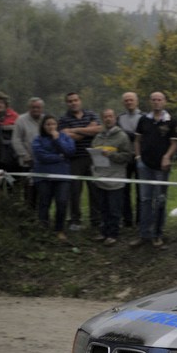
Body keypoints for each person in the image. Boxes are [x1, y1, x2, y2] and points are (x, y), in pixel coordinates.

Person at [132, 91, 177, 248]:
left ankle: (158, 234)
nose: (157, 102)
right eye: (154, 100)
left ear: (164, 101)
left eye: (159, 99)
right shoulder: (143, 120)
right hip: (145, 165)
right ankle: (144, 234)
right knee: (145, 200)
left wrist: (167, 156)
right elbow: (137, 140)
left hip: (161, 167)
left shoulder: (171, 121)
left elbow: (174, 143)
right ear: (150, 102)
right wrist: (138, 158)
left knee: (159, 200)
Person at [90, 108, 133, 246]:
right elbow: (93, 149)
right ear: (103, 119)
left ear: (115, 118)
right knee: (103, 207)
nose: (108, 119)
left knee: (114, 208)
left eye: (110, 116)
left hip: (116, 177)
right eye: (105, 117)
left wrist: (111, 155)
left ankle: (113, 234)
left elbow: (127, 156)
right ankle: (104, 231)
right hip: (101, 176)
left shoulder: (122, 136)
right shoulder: (99, 136)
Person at [59, 91, 101, 231]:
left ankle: (96, 220)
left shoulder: (91, 114)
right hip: (74, 159)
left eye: (75, 100)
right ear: (67, 103)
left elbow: (98, 129)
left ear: (80, 101)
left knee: (95, 189)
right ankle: (75, 220)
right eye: (70, 101)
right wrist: (88, 129)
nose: (73, 103)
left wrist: (75, 129)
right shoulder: (64, 119)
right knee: (75, 191)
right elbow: (67, 137)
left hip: (93, 157)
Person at [31, 115, 75, 240]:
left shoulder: (64, 137)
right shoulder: (38, 139)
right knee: (44, 202)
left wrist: (57, 140)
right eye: (48, 124)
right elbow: (41, 156)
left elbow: (70, 152)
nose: (51, 127)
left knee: (62, 201)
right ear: (43, 126)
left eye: (53, 124)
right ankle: (43, 227)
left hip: (62, 176)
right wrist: (59, 157)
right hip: (43, 176)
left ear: (57, 125)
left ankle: (59, 229)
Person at [11, 97, 45, 207]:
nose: (35, 109)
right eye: (33, 107)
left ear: (42, 108)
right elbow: (16, 140)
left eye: (38, 107)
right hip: (27, 162)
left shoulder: (45, 120)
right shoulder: (21, 120)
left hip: (43, 162)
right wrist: (25, 156)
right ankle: (29, 216)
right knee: (29, 191)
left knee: (43, 191)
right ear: (29, 108)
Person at [116, 91, 143, 228]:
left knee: (141, 191)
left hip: (139, 157)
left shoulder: (144, 118)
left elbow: (143, 137)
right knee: (124, 190)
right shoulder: (120, 118)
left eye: (131, 100)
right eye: (126, 100)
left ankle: (140, 220)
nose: (129, 102)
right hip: (125, 158)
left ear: (136, 101)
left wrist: (129, 135)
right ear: (123, 103)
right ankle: (127, 220)